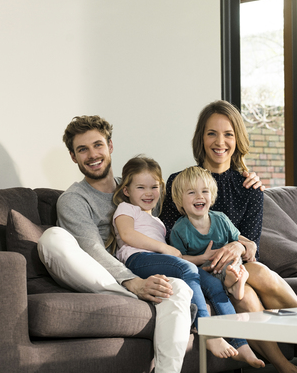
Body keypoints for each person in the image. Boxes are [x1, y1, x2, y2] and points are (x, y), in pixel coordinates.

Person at [37, 115, 193, 373]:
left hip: (137, 270)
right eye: (82, 149)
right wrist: (133, 282)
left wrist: (237, 240)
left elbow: (185, 215)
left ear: (110, 146)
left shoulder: (137, 189)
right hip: (92, 273)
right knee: (52, 238)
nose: (92, 154)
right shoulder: (74, 199)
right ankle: (134, 293)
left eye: (98, 145)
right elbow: (92, 249)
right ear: (73, 157)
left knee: (177, 288)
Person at [161, 100, 297, 373]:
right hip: (201, 268)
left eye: (228, 134)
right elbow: (169, 240)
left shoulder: (249, 186)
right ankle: (284, 365)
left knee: (253, 277)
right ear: (201, 137)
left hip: (240, 269)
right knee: (249, 283)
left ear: (237, 139)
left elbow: (251, 248)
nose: (219, 141)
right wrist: (206, 258)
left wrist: (237, 245)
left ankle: (284, 366)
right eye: (212, 133)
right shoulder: (180, 181)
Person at [111, 155, 264, 367]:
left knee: (213, 285)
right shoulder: (126, 209)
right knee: (186, 267)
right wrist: (165, 248)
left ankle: (242, 344)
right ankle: (207, 332)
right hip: (138, 260)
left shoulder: (156, 220)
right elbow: (127, 235)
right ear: (126, 191)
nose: (148, 193)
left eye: (154, 187)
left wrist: (202, 257)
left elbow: (180, 257)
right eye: (140, 188)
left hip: (161, 261)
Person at [170, 166, 253, 301]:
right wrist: (202, 258)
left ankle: (233, 283)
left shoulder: (221, 219)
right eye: (191, 192)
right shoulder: (179, 229)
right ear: (179, 200)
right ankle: (231, 284)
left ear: (212, 196)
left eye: (205, 191)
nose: (199, 196)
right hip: (204, 271)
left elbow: (238, 240)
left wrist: (247, 246)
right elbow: (178, 260)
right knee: (200, 273)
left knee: (232, 261)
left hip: (227, 263)